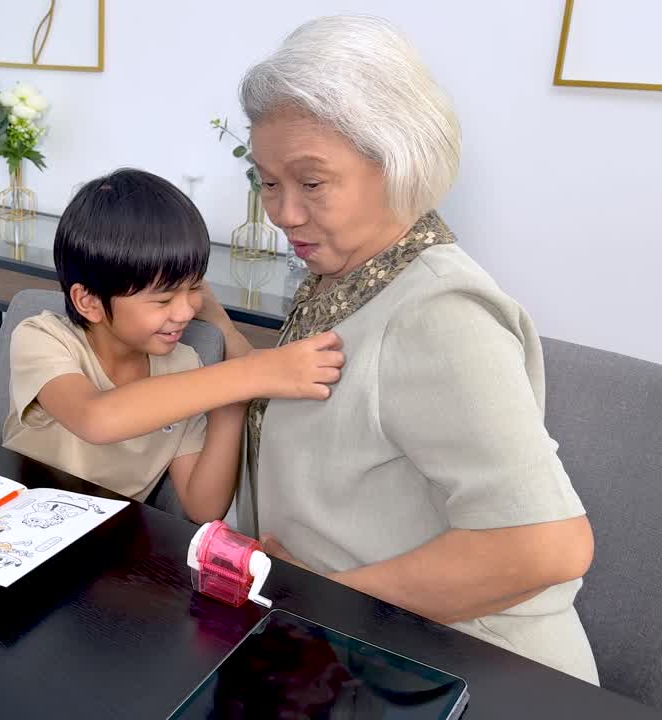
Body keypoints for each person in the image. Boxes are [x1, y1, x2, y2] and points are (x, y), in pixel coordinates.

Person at [236, 15, 597, 682]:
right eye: (268, 182)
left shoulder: (440, 313)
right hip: (346, 650)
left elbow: (549, 547)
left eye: (311, 183)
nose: (282, 213)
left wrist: (322, 595)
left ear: (396, 162)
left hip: (461, 670)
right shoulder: (348, 279)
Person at [3, 168, 344, 523]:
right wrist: (251, 373)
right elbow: (96, 419)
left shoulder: (185, 368)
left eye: (194, 288)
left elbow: (203, 506)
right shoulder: (42, 338)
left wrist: (232, 400)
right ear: (88, 302)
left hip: (103, 543)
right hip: (12, 524)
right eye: (163, 300)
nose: (185, 311)